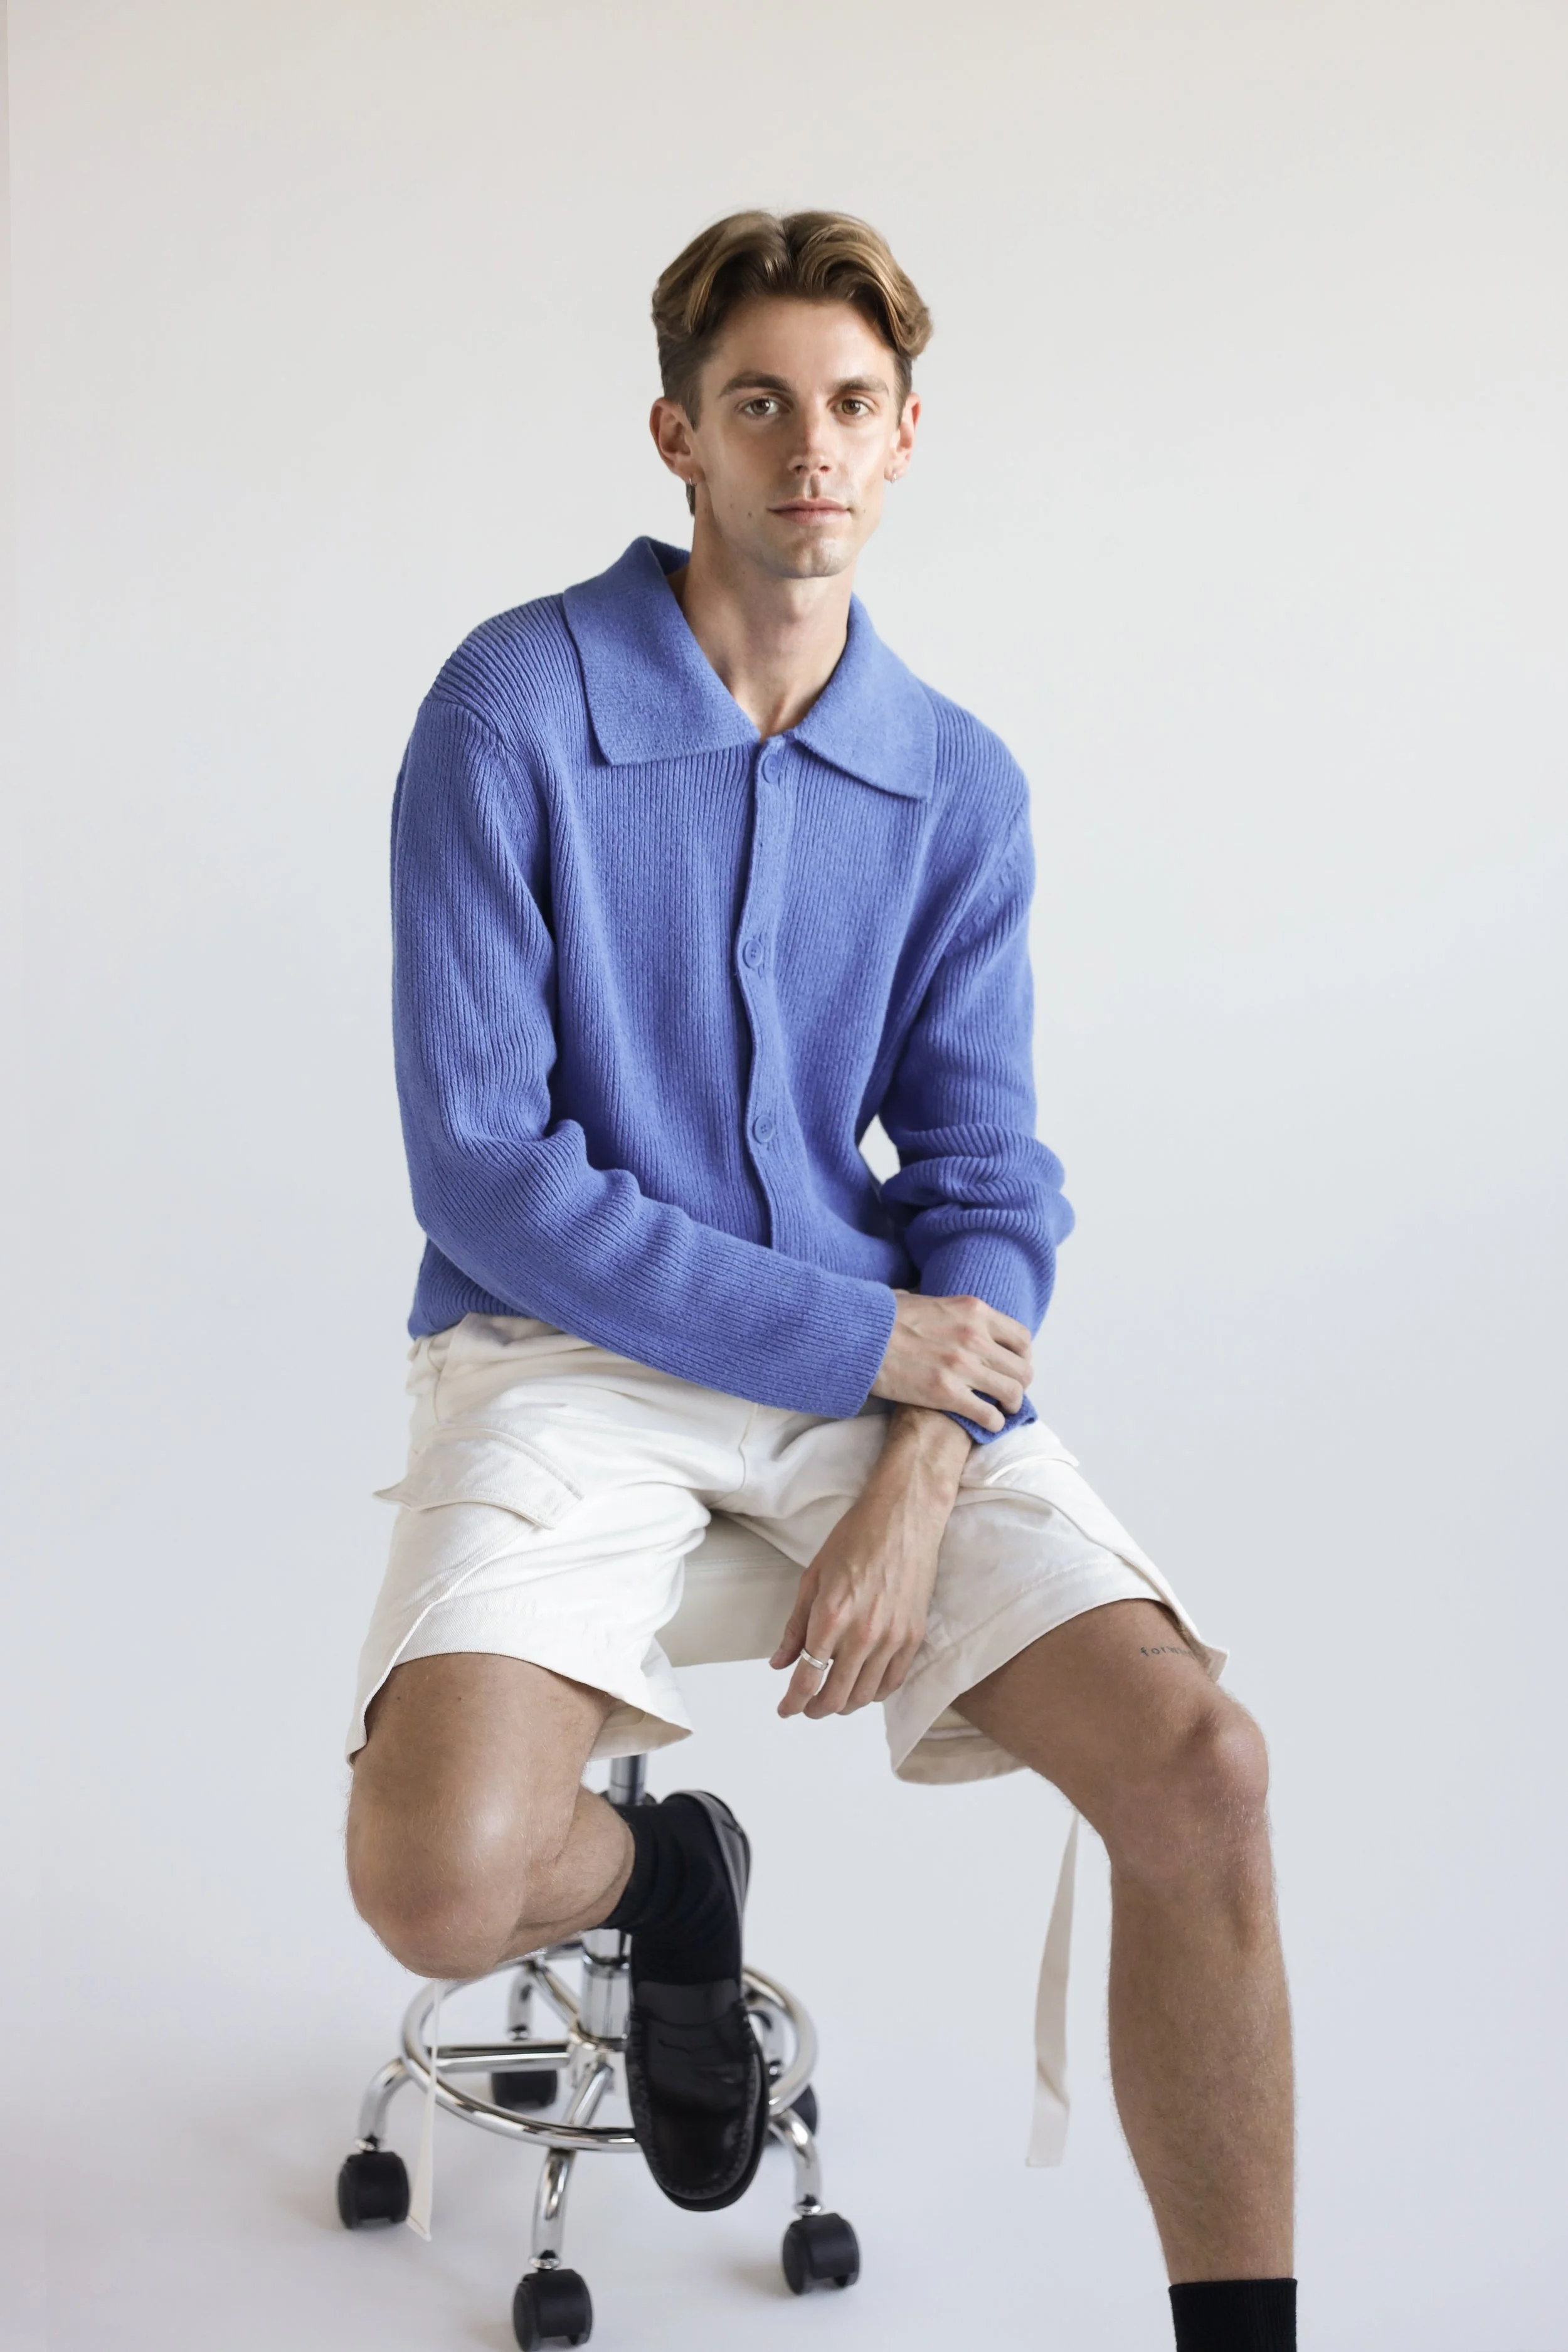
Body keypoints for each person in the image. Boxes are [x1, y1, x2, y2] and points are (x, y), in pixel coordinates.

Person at [344, 209, 1296, 2350]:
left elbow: (981, 1169)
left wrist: (919, 1455)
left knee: (1203, 1769)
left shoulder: (954, 778)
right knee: (433, 1880)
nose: (809, 449)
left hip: (886, 1379)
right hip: (561, 1347)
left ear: (904, 436)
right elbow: (484, 1169)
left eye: (851, 405)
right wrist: (866, 1337)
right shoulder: (513, 705)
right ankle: (666, 1879)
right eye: (759, 403)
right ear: (677, 435)